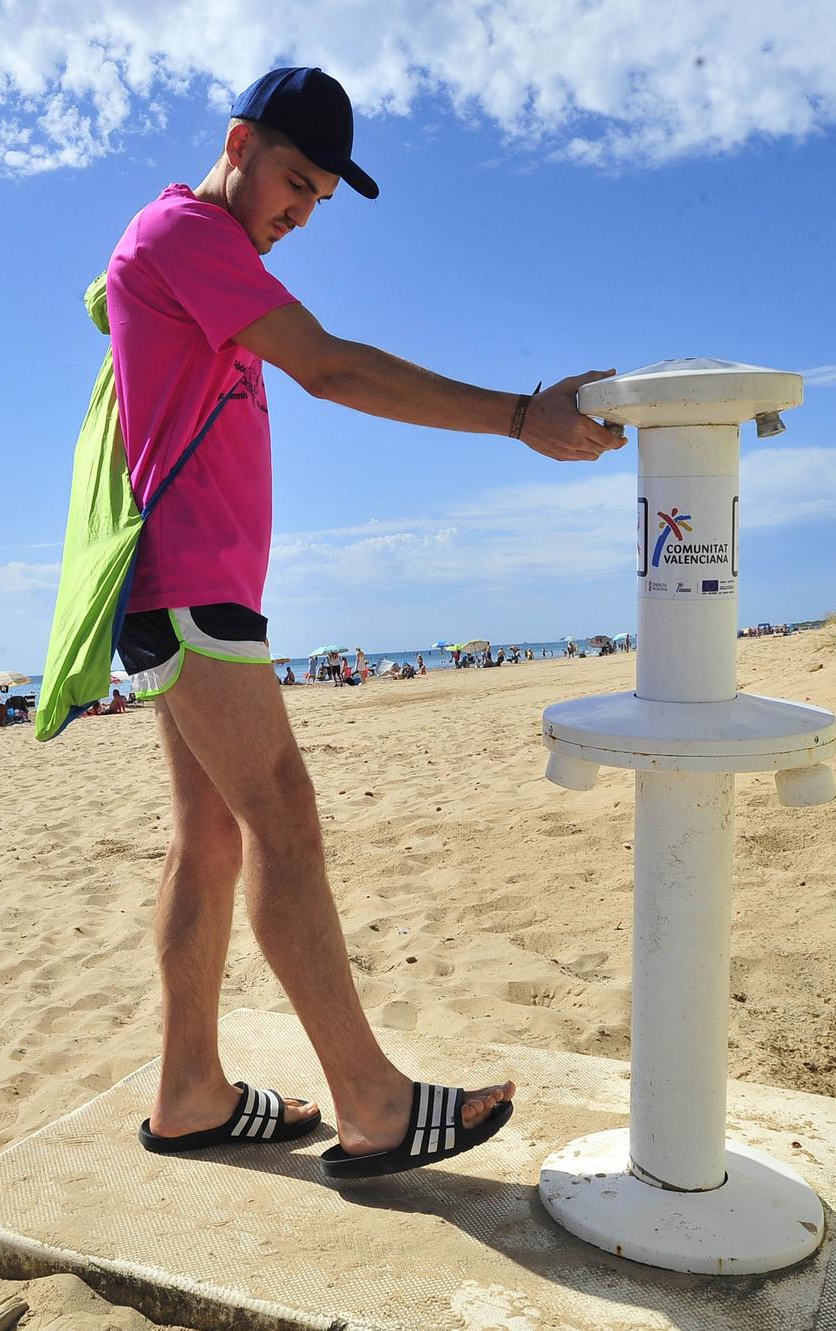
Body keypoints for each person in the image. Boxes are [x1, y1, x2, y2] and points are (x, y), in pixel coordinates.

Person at [94, 68, 622, 1177]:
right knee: (282, 815)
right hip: (190, 587)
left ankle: (189, 1091)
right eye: (292, 184)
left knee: (213, 832)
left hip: (181, 588)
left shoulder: (193, 250)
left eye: (316, 204)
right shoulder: (184, 233)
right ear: (238, 142)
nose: (297, 217)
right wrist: (519, 416)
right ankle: (372, 1101)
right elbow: (329, 368)